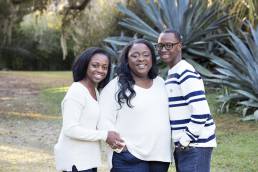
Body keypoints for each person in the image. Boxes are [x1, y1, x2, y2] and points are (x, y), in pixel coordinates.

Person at [98, 39, 172, 172]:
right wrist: (121, 148)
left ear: (152, 58)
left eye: (146, 54)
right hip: (129, 158)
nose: (141, 59)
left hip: (160, 157)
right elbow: (103, 121)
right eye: (135, 55)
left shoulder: (161, 83)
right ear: (127, 60)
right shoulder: (115, 86)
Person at [54, 47, 123, 172]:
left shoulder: (95, 91)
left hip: (88, 160)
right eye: (95, 65)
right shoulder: (77, 91)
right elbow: (70, 129)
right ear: (85, 65)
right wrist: (104, 135)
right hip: (74, 161)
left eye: (104, 67)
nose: (100, 70)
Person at [156, 29, 217, 172]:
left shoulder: (184, 72)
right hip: (187, 145)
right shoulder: (173, 72)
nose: (163, 49)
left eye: (169, 45)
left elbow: (201, 112)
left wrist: (184, 141)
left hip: (194, 145)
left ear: (179, 46)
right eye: (160, 46)